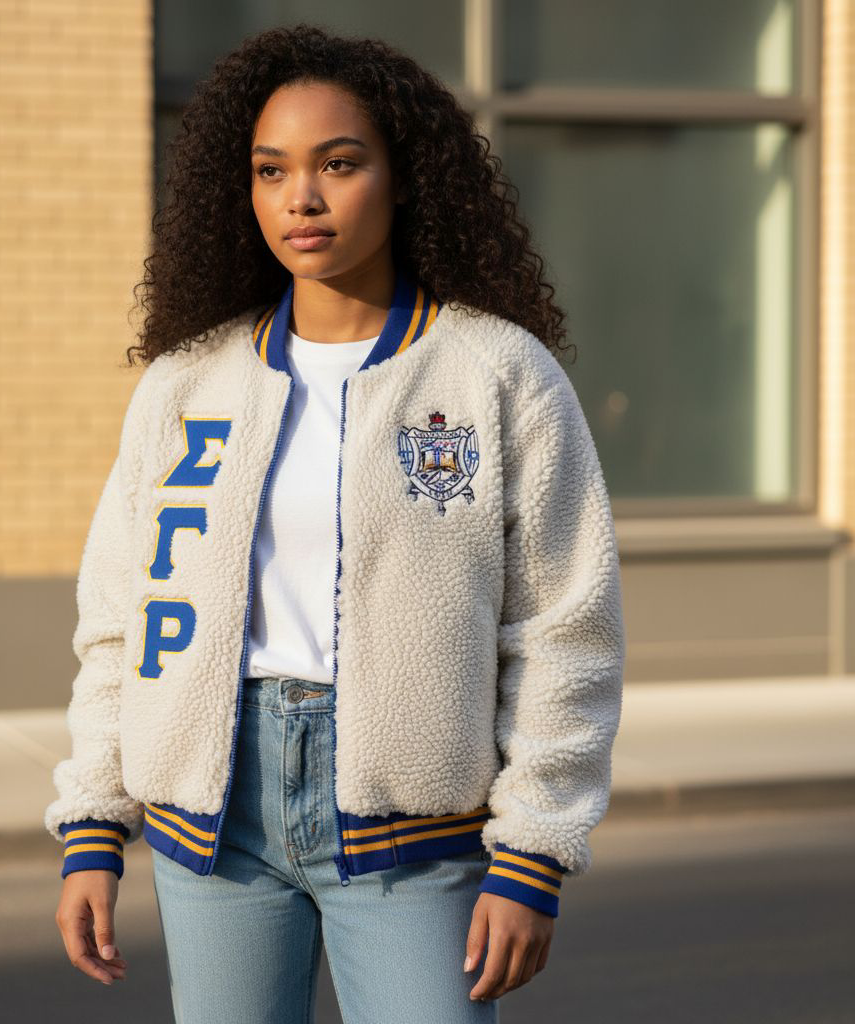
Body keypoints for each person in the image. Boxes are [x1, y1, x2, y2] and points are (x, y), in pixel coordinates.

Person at [48, 22, 625, 1023]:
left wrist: (533, 847)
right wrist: (93, 822)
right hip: (212, 820)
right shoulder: (188, 382)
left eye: (338, 164)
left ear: (403, 179)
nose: (300, 198)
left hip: (412, 822)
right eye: (271, 171)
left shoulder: (495, 373)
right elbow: (120, 618)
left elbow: (564, 623)